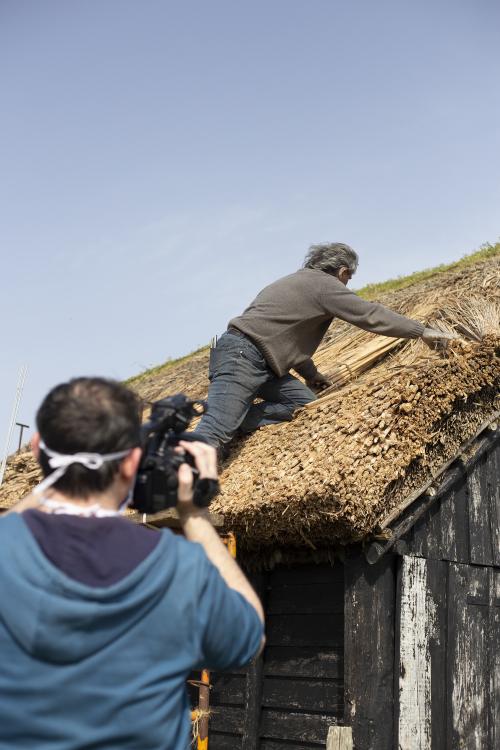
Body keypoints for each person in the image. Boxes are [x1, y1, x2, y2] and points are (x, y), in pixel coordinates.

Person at [0, 377, 264, 750]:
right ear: (131, 462)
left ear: (36, 446)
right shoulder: (179, 569)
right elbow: (249, 637)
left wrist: (49, 476)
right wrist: (196, 516)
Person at [195, 242, 455, 449]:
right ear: (343, 272)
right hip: (243, 356)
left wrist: (312, 375)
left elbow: (284, 339)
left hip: (260, 361)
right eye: (348, 279)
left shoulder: (296, 282)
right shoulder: (324, 285)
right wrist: (420, 331)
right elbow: (369, 315)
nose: (345, 286)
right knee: (216, 428)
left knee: (304, 404)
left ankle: (238, 417)